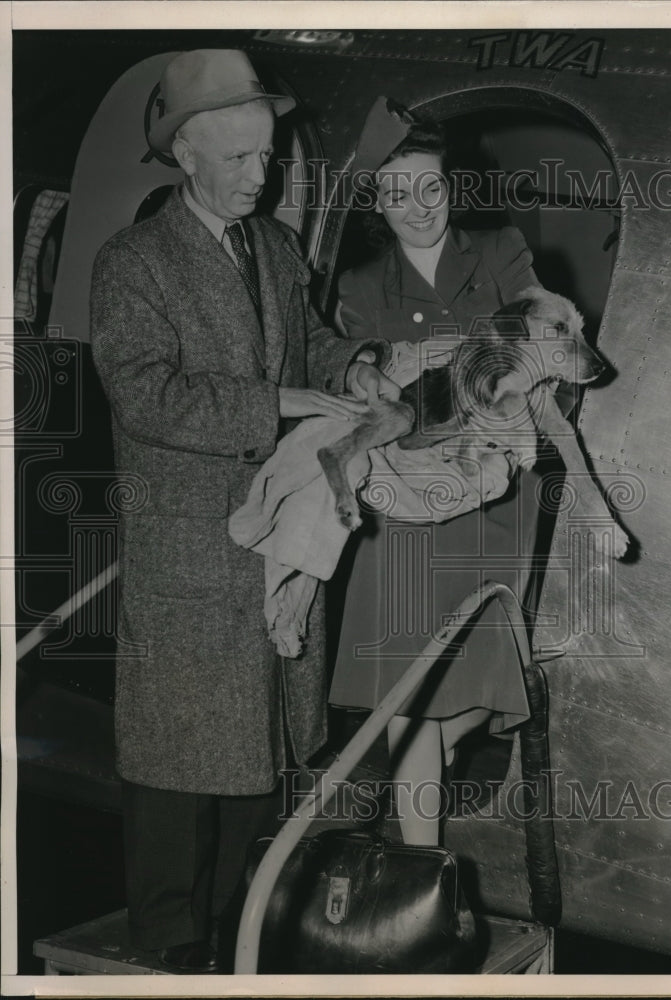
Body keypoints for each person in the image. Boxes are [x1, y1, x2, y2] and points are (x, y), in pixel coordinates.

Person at [90, 50, 396, 973]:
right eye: (238, 159)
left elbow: (308, 341)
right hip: (191, 547)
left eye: (267, 156)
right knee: (180, 760)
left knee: (259, 752)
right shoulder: (132, 262)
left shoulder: (272, 246)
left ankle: (230, 938)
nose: (261, 176)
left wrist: (353, 368)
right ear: (186, 155)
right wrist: (280, 404)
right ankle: (168, 946)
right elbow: (145, 394)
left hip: (277, 540)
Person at [329, 98, 546, 846]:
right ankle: (418, 867)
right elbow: (355, 390)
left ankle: (413, 786)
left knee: (482, 690)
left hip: (490, 501)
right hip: (405, 514)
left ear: (454, 187)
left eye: (429, 188)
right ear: (376, 204)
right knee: (410, 696)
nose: (415, 208)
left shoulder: (500, 249)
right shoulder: (358, 286)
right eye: (395, 194)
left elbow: (543, 332)